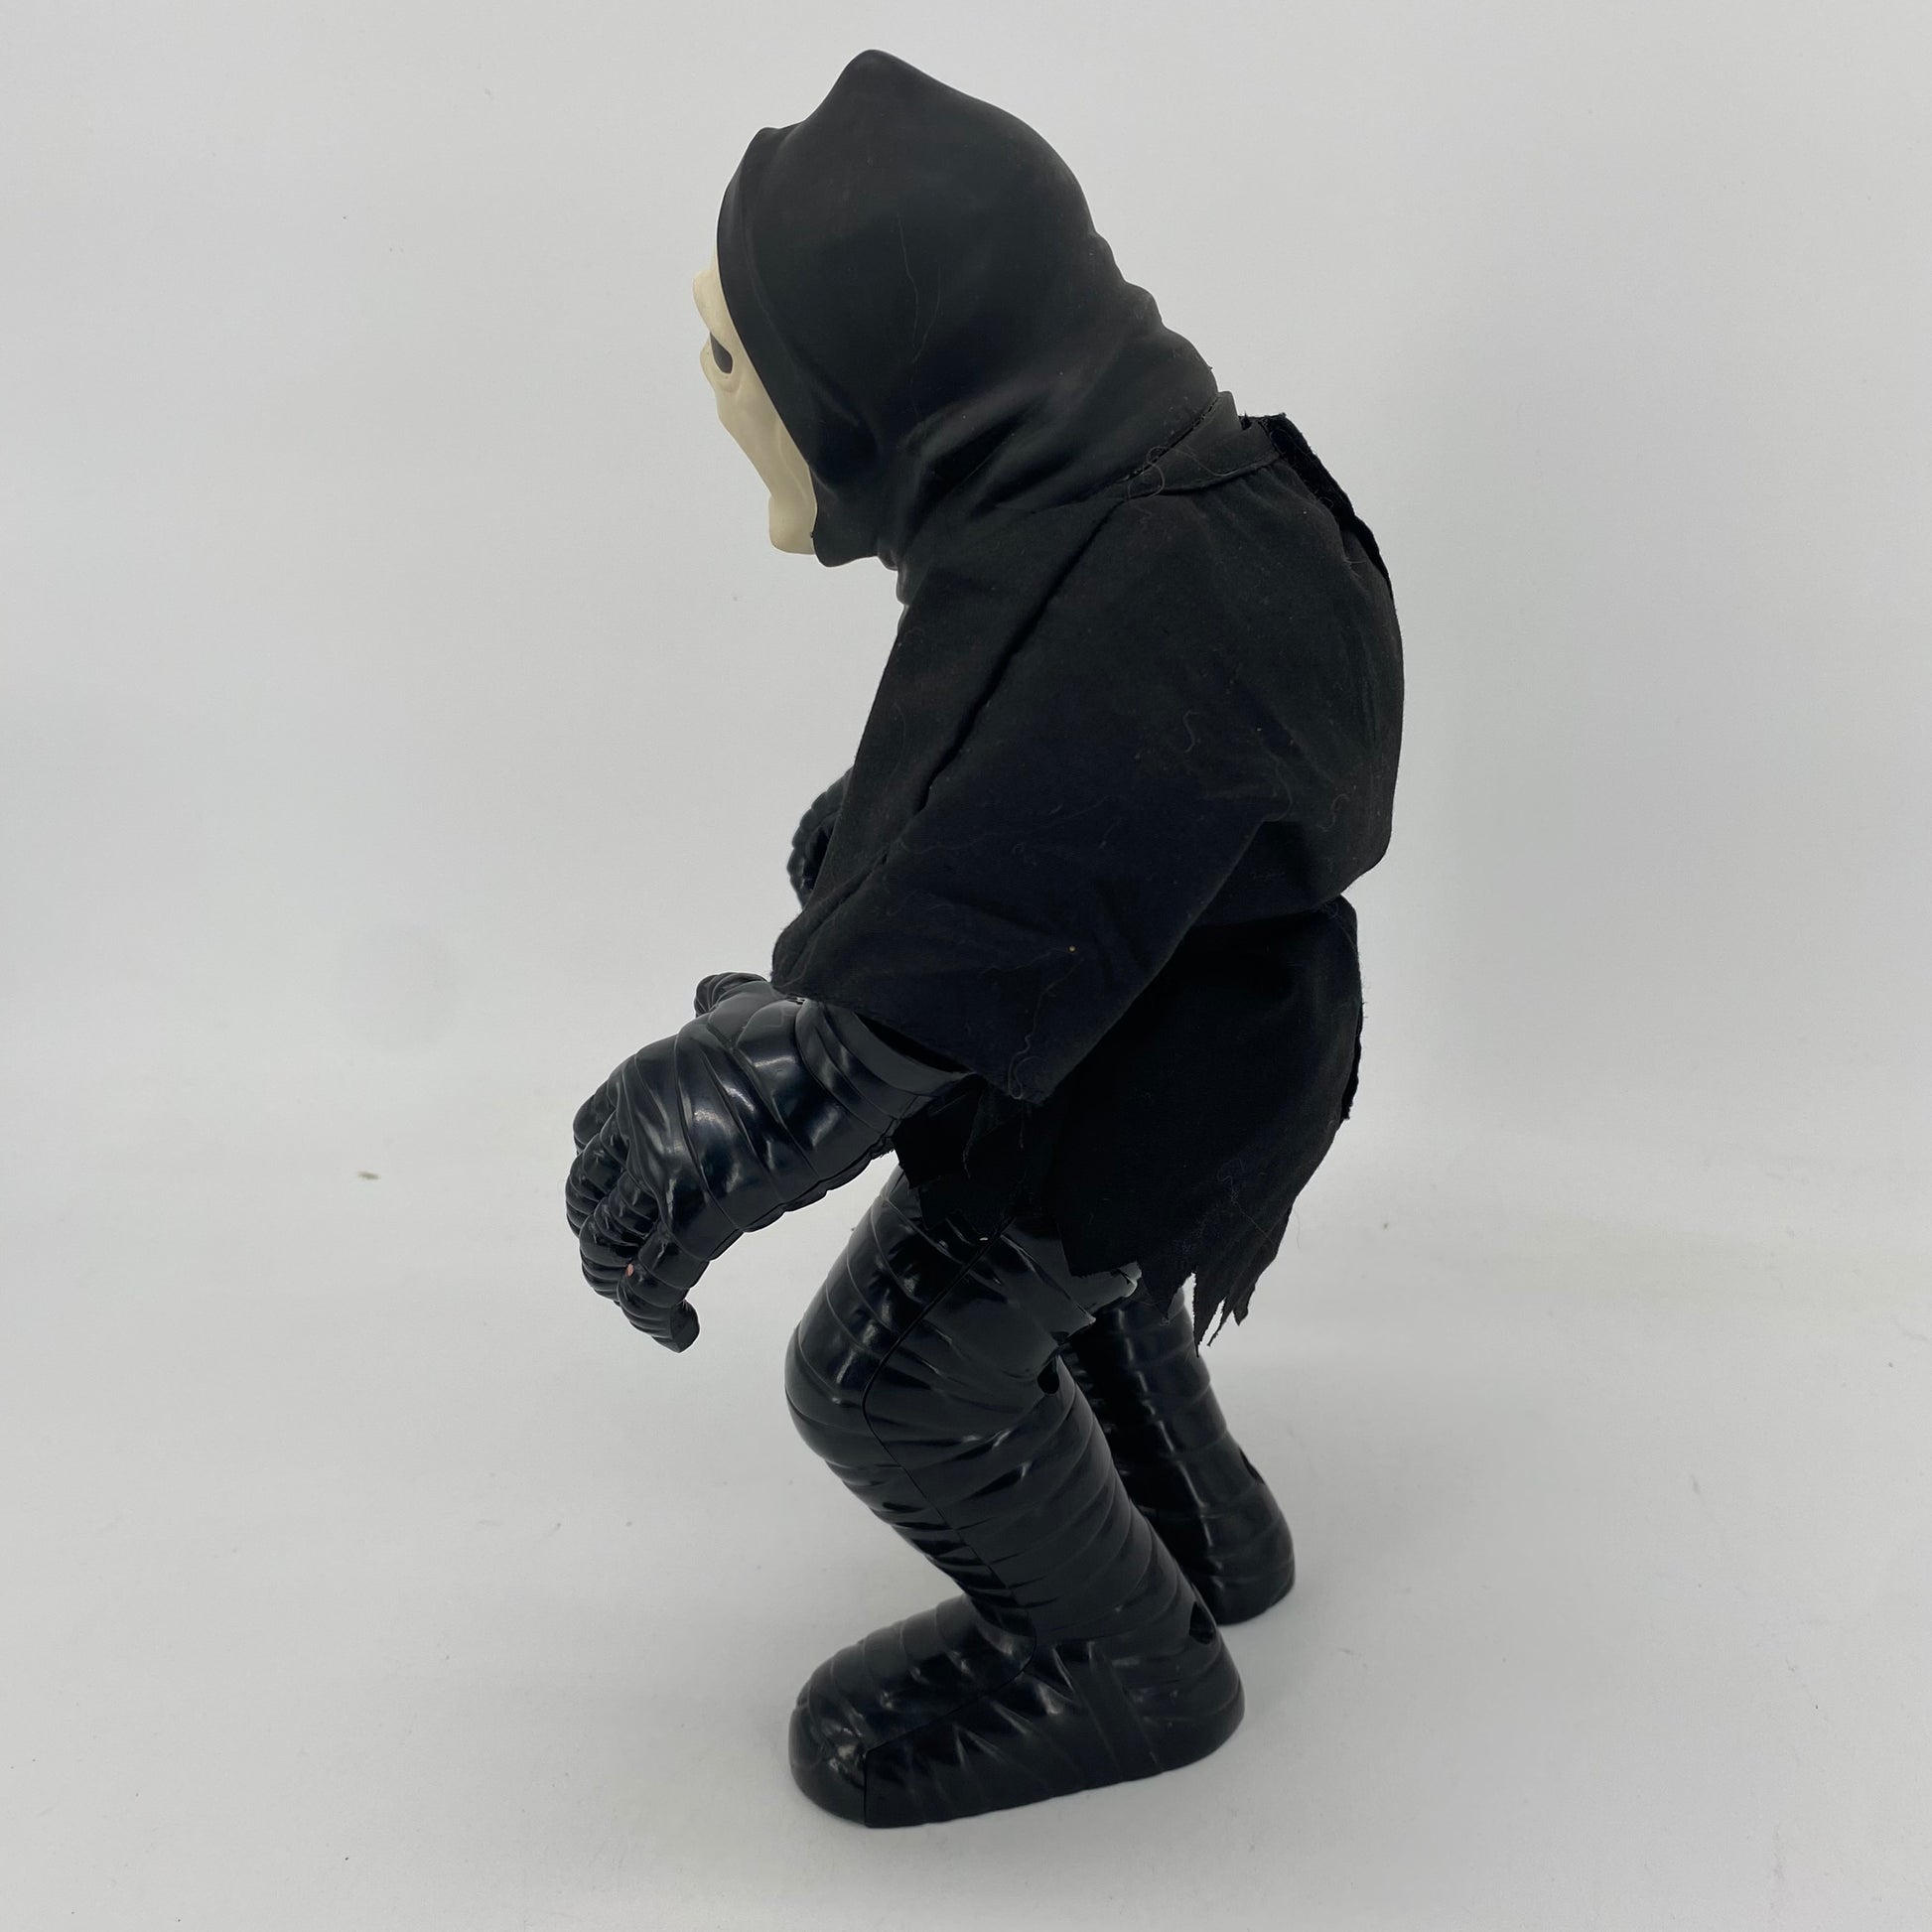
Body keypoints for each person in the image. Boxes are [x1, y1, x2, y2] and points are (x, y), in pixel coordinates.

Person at [565, 49, 1403, 1828]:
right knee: (1088, 1292)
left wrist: (740, 1101)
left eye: (740, 355)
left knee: (886, 1374)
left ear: (883, 378)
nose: (718, 384)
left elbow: (997, 864)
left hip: (1155, 1064)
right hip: (1210, 1017)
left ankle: (1120, 1665)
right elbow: (1039, 805)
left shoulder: (1111, 612)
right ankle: (1198, 1533)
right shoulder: (1181, 503)